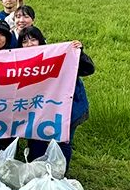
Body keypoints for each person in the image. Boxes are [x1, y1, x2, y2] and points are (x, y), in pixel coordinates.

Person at [19, 30, 93, 169]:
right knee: (36, 139)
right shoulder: (18, 61)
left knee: (63, 140)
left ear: (41, 41)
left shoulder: (56, 55)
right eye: (24, 41)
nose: (29, 45)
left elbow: (88, 69)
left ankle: (59, 174)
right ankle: (36, 173)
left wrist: (79, 53)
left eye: (33, 40)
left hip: (67, 107)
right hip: (37, 109)